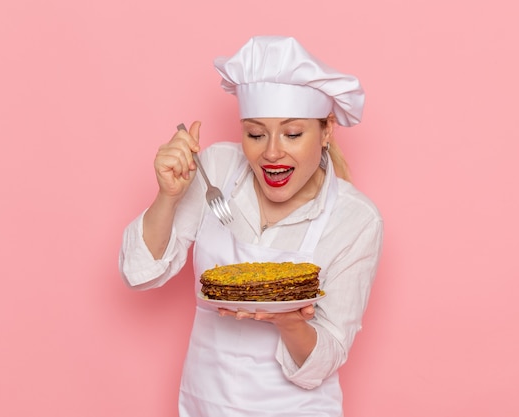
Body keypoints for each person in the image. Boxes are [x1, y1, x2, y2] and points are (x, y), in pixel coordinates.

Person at [119, 35, 384, 417]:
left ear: (326, 130)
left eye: (292, 134)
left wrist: (289, 320)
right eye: (256, 134)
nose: (272, 152)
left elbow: (326, 358)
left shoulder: (355, 219)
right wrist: (167, 196)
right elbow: (138, 274)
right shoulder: (218, 170)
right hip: (203, 405)